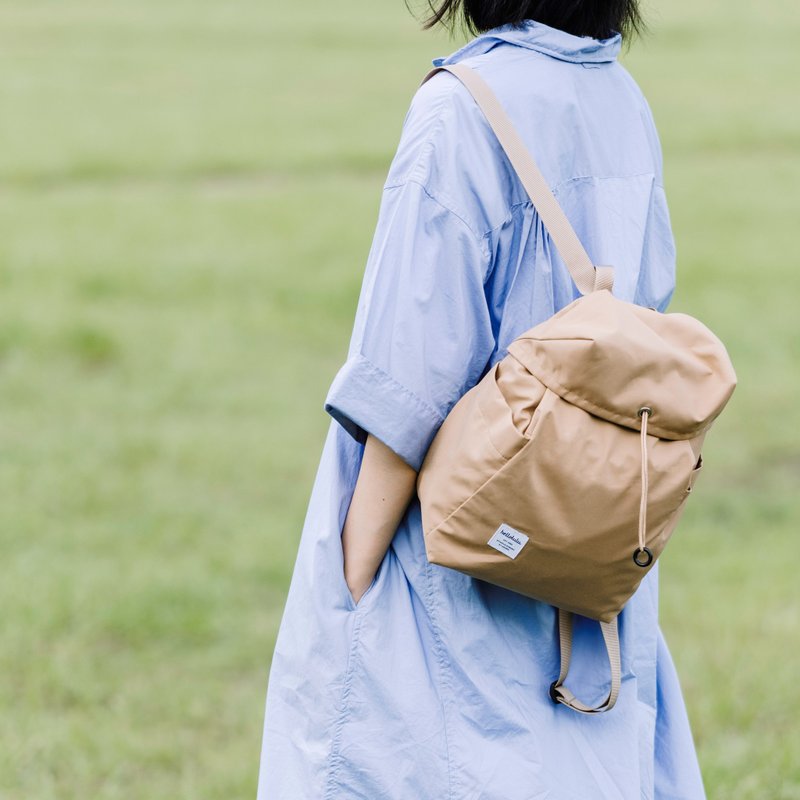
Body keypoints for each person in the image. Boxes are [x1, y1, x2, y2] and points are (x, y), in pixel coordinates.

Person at [257, 2, 707, 797]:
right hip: (586, 532)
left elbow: (406, 378)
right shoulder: (621, 99)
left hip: (454, 540)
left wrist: (352, 590)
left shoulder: (460, 107)